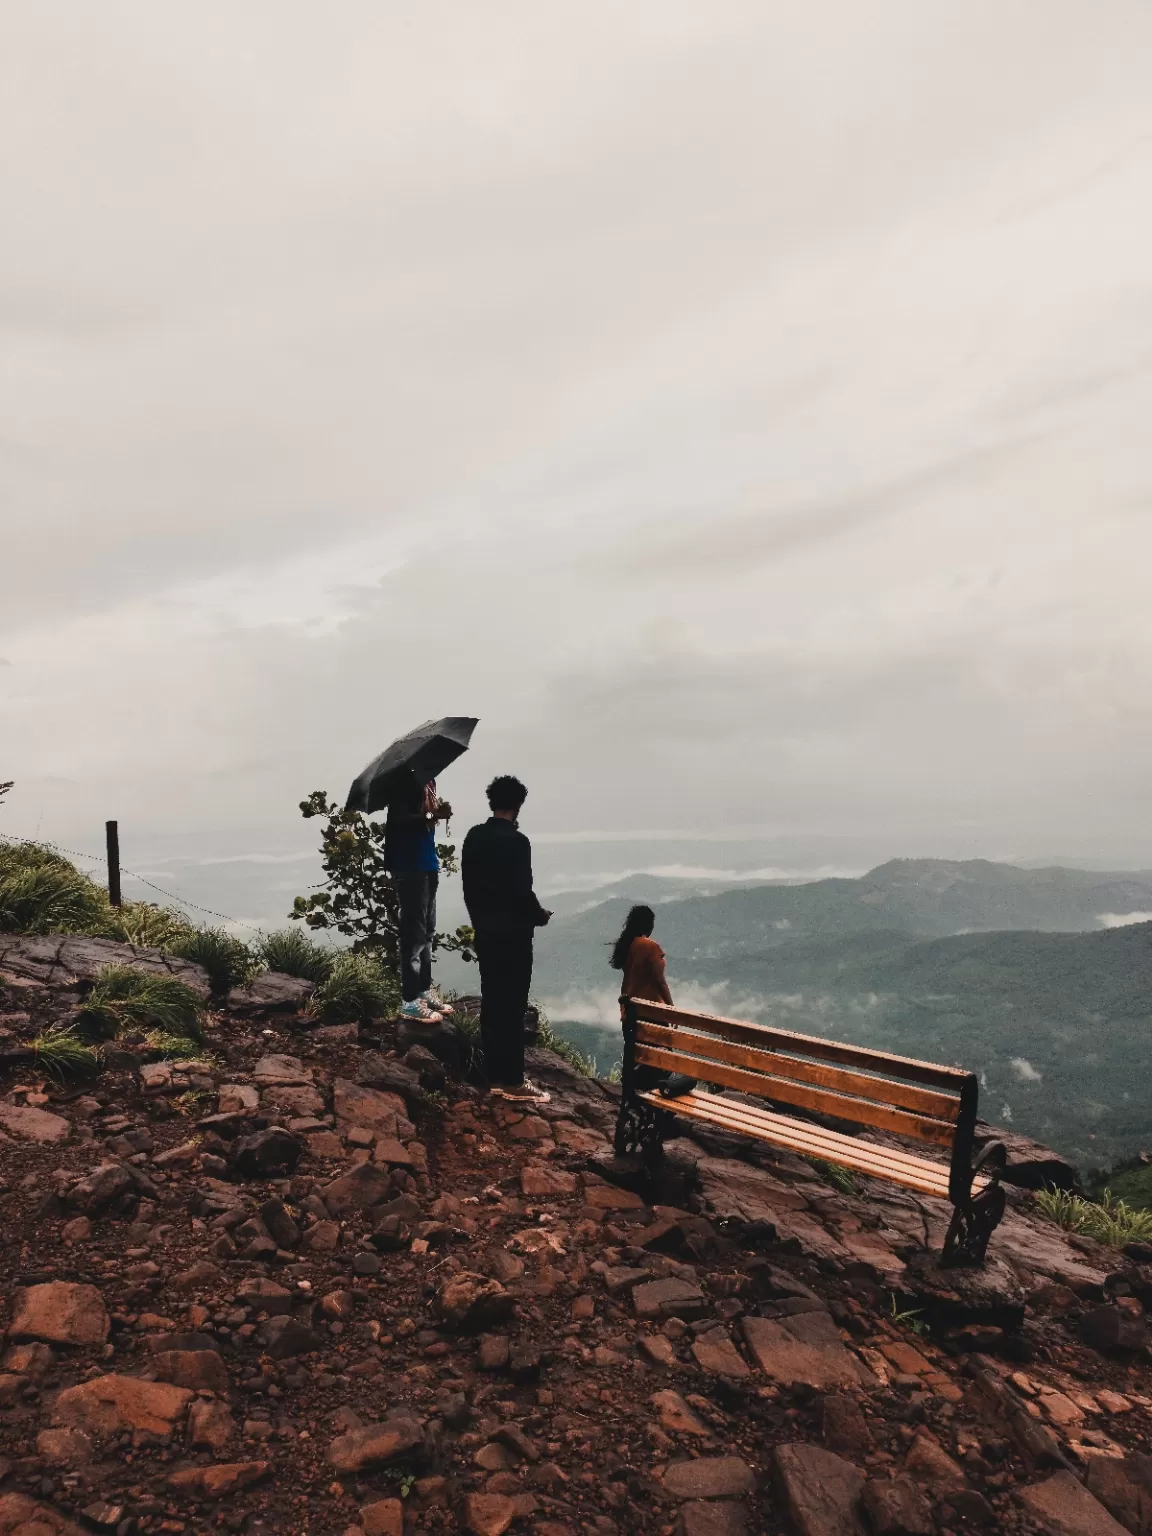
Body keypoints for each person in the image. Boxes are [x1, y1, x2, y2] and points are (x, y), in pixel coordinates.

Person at [461, 775, 552, 1102]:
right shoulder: (518, 842)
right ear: (518, 804)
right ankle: (513, 1081)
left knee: (492, 1002)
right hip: (514, 936)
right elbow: (521, 893)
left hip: (485, 933)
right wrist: (539, 916)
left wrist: (479, 923)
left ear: (492, 801)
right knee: (512, 1007)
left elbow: (469, 888)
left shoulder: (474, 837)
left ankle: (492, 1076)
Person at [385, 768, 454, 1024]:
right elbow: (399, 820)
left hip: (427, 864)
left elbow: (426, 820)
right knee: (413, 935)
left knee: (427, 932)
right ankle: (410, 1000)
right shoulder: (403, 783)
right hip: (409, 866)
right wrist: (431, 813)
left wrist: (436, 813)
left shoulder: (429, 783)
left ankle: (423, 991)